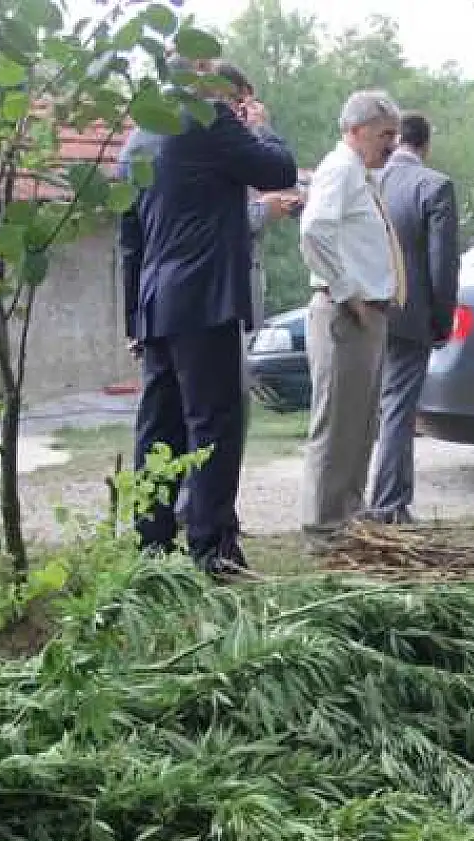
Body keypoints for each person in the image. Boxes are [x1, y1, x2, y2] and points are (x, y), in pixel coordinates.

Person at [119, 60, 298, 577]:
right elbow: (278, 171)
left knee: (159, 426)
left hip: (156, 306)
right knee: (213, 423)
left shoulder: (137, 138)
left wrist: (135, 319)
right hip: (204, 300)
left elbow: (129, 244)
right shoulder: (208, 118)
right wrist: (260, 125)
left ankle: (152, 543)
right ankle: (213, 548)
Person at [297, 90, 405, 545]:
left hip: (366, 314)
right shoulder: (339, 169)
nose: (392, 145)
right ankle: (324, 529)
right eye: (385, 135)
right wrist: (349, 293)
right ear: (357, 131)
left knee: (360, 424)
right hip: (345, 315)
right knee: (337, 424)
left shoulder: (360, 174)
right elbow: (313, 231)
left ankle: (347, 520)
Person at [364, 111, 459, 525]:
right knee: (400, 410)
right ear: (426, 144)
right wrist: (442, 319)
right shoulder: (434, 187)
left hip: (363, 310)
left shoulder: (369, 180)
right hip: (410, 313)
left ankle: (386, 500)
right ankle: (388, 504)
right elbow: (443, 263)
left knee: (373, 410)